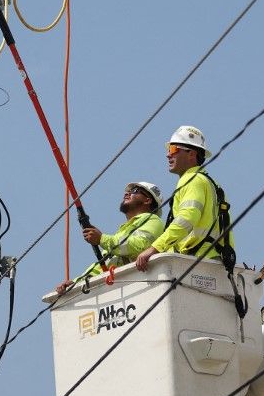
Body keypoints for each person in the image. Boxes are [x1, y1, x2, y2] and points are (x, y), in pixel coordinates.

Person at [135, 125, 234, 271]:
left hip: (199, 261)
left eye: (174, 150)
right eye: (169, 150)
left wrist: (154, 248)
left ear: (191, 154)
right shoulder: (210, 183)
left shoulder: (192, 179)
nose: (168, 155)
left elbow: (186, 219)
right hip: (212, 260)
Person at [56, 181, 165, 294]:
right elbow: (104, 264)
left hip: (134, 288)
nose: (126, 194)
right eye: (127, 191)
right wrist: (76, 282)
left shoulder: (154, 221)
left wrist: (102, 239)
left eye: (134, 191)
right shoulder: (122, 232)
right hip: (120, 290)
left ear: (147, 200)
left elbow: (139, 245)